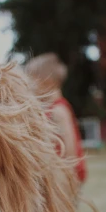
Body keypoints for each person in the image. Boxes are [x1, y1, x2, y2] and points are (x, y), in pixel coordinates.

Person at [25, 53, 88, 187]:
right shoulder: (48, 109)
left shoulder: (58, 111)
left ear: (47, 82)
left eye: (32, 81)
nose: (29, 86)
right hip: (55, 174)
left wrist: (68, 176)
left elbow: (70, 147)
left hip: (65, 176)